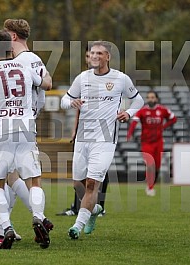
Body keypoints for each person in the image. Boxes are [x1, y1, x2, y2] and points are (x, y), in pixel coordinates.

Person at [0, 29, 52, 249]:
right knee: (34, 179)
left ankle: (6, 227)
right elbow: (45, 83)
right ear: (11, 48)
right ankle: (38, 216)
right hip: (25, 127)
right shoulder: (25, 67)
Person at [61, 40, 144, 239]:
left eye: (100, 53)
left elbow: (138, 100)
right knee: (78, 185)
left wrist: (129, 113)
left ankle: (77, 226)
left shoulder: (120, 79)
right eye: (92, 53)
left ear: (108, 57)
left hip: (105, 139)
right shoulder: (83, 78)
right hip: (83, 139)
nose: (95, 56)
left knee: (92, 184)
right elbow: (65, 99)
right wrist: (71, 102)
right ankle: (94, 209)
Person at [57, 48, 108, 217]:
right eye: (88, 56)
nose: (90, 58)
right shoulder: (84, 78)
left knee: (98, 174)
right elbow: (79, 107)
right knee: (79, 176)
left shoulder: (111, 80)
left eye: (93, 55)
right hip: (85, 134)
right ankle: (83, 206)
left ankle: (98, 205)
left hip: (104, 134)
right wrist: (75, 130)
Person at [127, 90, 177, 196]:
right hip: (146, 142)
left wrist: (164, 127)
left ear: (156, 99)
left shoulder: (162, 110)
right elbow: (134, 122)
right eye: (149, 97)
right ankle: (150, 187)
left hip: (158, 142)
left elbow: (173, 119)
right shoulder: (142, 111)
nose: (150, 99)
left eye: (152, 97)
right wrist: (129, 134)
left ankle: (151, 184)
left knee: (157, 166)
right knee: (150, 164)